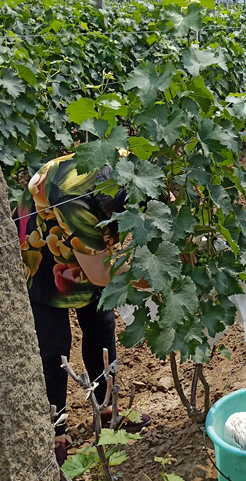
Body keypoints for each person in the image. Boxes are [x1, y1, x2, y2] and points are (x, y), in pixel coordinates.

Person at [14, 154, 150, 465]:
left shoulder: (128, 164)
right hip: (42, 245)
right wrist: (150, 280)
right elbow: (101, 274)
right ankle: (55, 427)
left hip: (87, 243)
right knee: (54, 343)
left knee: (101, 323)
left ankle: (106, 406)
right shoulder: (74, 199)